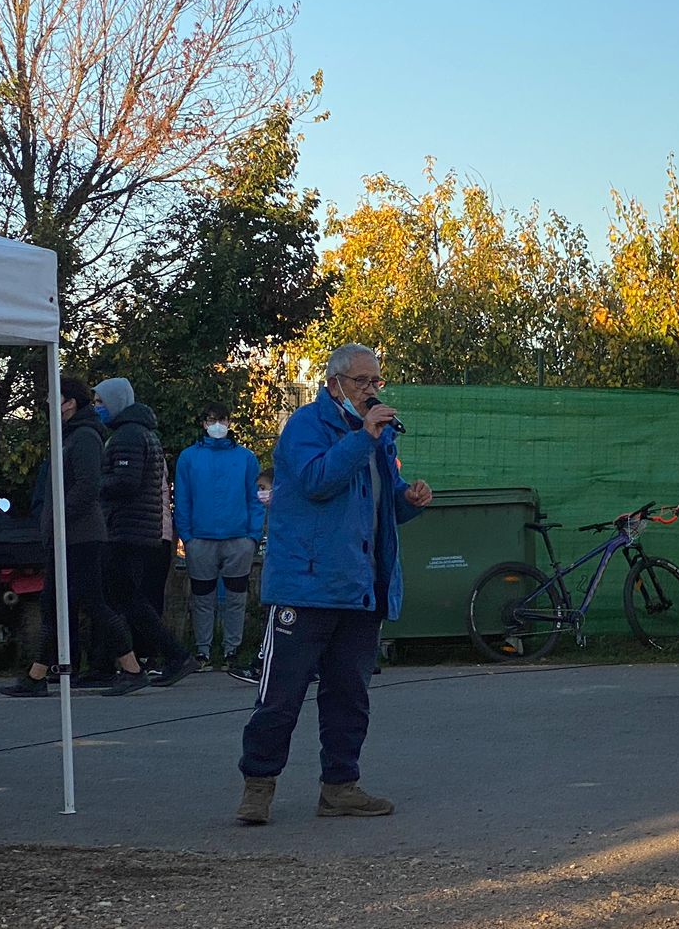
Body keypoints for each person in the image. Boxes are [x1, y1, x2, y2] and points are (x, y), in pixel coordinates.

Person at [235, 345, 431, 825]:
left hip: (360, 587)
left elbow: (376, 508)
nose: (372, 390)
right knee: (280, 696)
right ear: (334, 383)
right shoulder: (306, 426)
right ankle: (258, 787)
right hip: (306, 586)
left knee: (349, 695)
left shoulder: (379, 438)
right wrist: (364, 437)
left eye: (377, 381)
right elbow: (317, 481)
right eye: (363, 381)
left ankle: (340, 787)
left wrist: (407, 500)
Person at [0, 378, 150, 698]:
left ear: (71, 403)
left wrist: (58, 517)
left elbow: (87, 485)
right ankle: (37, 674)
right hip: (66, 535)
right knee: (54, 604)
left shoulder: (83, 437)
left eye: (58, 400)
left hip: (80, 536)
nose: (53, 407)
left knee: (93, 603)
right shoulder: (69, 436)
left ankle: (132, 668)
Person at [94, 378, 195, 686]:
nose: (97, 407)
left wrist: (91, 485)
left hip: (127, 529)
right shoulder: (143, 433)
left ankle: (158, 659)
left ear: (114, 403)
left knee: (125, 598)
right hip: (141, 529)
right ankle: (167, 657)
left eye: (100, 401)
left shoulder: (127, 436)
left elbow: (126, 482)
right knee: (129, 598)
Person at [177, 401, 264, 676]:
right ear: (204, 423)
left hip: (238, 539)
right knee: (202, 598)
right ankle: (203, 650)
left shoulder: (247, 458)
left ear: (229, 422)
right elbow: (183, 498)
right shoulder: (188, 457)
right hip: (200, 539)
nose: (218, 425)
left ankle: (232, 651)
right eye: (212, 419)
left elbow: (256, 497)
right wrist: (187, 536)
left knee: (236, 598)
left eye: (222, 419)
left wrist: (252, 535)